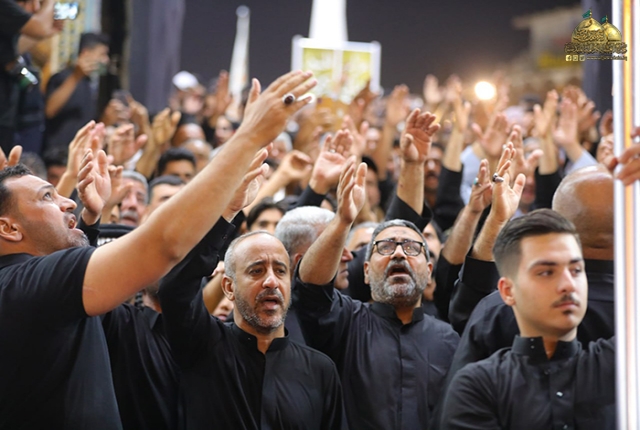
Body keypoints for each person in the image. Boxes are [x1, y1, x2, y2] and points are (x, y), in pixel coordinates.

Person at [0, 69, 318, 427]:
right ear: (8, 227)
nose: (68, 201)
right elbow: (163, 244)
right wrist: (248, 137)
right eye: (48, 196)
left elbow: (71, 266)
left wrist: (89, 220)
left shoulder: (30, 286)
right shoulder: (25, 284)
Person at [293, 109, 460, 429]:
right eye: (384, 247)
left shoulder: (449, 339)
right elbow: (310, 286)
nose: (398, 252)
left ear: (429, 270)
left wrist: (413, 165)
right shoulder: (346, 323)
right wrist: (343, 221)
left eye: (411, 247)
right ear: (366, 271)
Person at [440, 209, 615, 429]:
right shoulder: (479, 386)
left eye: (576, 270)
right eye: (546, 272)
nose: (568, 284)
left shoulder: (621, 364)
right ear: (508, 291)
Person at [158, 229, 346, 429]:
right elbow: (175, 288)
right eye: (257, 271)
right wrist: (226, 215)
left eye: (280, 271)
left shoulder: (321, 370)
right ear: (229, 287)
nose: (271, 282)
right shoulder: (202, 345)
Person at [0, 0, 61, 153]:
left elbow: (14, 50)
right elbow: (39, 27)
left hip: (7, 116)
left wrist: (49, 29)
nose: (35, 9)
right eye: (34, 2)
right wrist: (50, 2)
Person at [44, 33, 110, 153]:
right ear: (86, 53)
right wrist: (76, 76)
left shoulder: (89, 85)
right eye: (102, 54)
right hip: (57, 154)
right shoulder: (63, 77)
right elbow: (49, 110)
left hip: (79, 153)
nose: (106, 60)